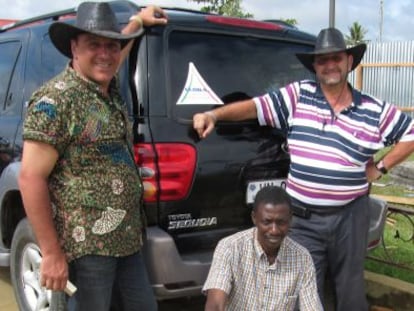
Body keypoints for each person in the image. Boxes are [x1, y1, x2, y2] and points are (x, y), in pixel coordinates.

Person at [193, 28, 414, 311]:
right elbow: (254, 107)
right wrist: (213, 114)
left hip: (350, 217)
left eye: (336, 58)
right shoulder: (298, 96)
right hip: (304, 220)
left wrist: (381, 167)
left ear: (349, 61)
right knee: (303, 293)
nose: (329, 65)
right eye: (322, 60)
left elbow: (410, 132)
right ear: (315, 66)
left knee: (350, 294)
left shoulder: (372, 109)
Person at [18, 2, 167, 310]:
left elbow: (112, 57)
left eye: (111, 45)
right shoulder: (55, 100)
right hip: (86, 249)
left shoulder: (103, 84)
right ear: (74, 47)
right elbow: (30, 177)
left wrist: (138, 21)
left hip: (127, 240)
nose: (105, 53)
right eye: (93, 44)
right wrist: (52, 253)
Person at [203, 186, 322, 311]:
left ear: (290, 219)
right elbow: (215, 304)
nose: (274, 230)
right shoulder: (230, 248)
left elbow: (312, 307)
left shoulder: (302, 258)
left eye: (281, 222)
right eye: (267, 222)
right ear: (254, 218)